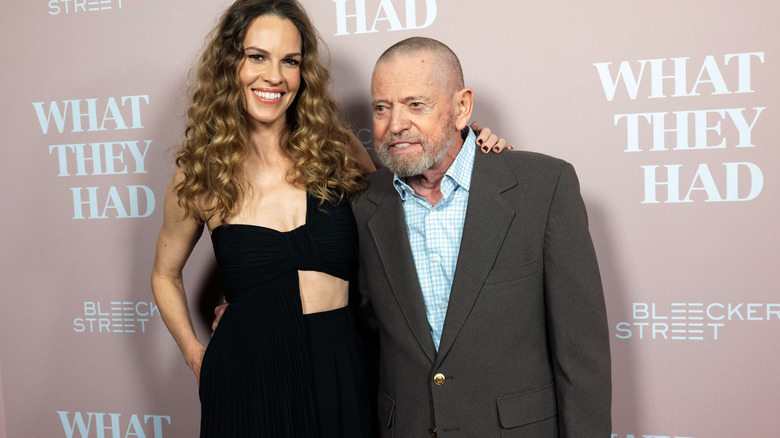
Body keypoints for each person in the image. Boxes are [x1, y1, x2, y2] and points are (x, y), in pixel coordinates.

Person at [151, 1, 504, 436]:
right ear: (231, 64)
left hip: (339, 364)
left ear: (303, 73)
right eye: (257, 56)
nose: (274, 76)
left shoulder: (332, 148)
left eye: (290, 61)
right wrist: (195, 354)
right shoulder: (202, 170)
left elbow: (403, 206)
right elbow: (164, 275)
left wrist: (469, 144)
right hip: (246, 371)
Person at [351, 37, 612, 437]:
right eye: (382, 107)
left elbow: (581, 360)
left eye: (416, 104)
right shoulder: (361, 204)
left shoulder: (542, 188)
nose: (395, 124)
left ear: (462, 108)